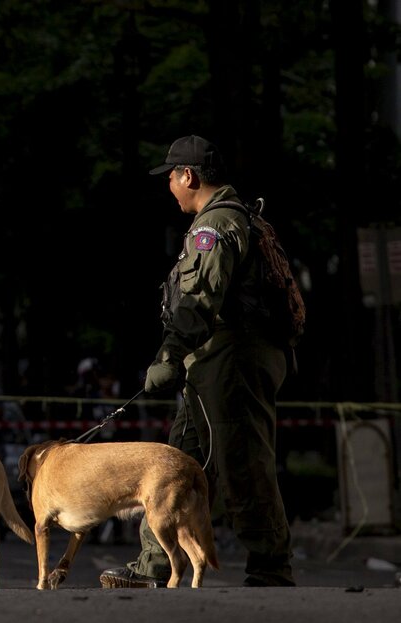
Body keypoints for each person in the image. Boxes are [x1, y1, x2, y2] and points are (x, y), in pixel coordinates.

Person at [99, 135, 295, 588]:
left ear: (188, 176)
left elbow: (198, 300)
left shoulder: (217, 226)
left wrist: (167, 353)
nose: (168, 184)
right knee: (171, 465)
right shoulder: (227, 219)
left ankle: (270, 567)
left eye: (171, 175)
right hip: (210, 363)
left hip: (234, 362)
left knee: (243, 460)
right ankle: (153, 567)